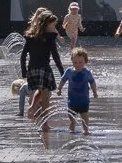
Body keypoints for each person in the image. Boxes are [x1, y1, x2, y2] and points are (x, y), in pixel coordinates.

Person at [20, 8, 64, 144]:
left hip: (32, 68)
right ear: (46, 24)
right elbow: (55, 56)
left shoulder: (30, 36)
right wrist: (63, 72)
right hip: (44, 68)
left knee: (40, 90)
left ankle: (32, 107)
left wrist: (24, 71)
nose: (55, 28)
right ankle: (45, 123)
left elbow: (23, 55)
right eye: (53, 25)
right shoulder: (50, 38)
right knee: (45, 97)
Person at [62, 48, 98, 136]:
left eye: (80, 62)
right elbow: (63, 80)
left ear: (85, 61)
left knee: (84, 116)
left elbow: (92, 82)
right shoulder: (69, 71)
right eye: (75, 62)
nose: (77, 65)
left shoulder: (87, 72)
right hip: (72, 100)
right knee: (71, 115)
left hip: (84, 100)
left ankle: (86, 130)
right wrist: (59, 89)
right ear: (72, 61)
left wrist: (95, 92)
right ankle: (73, 123)